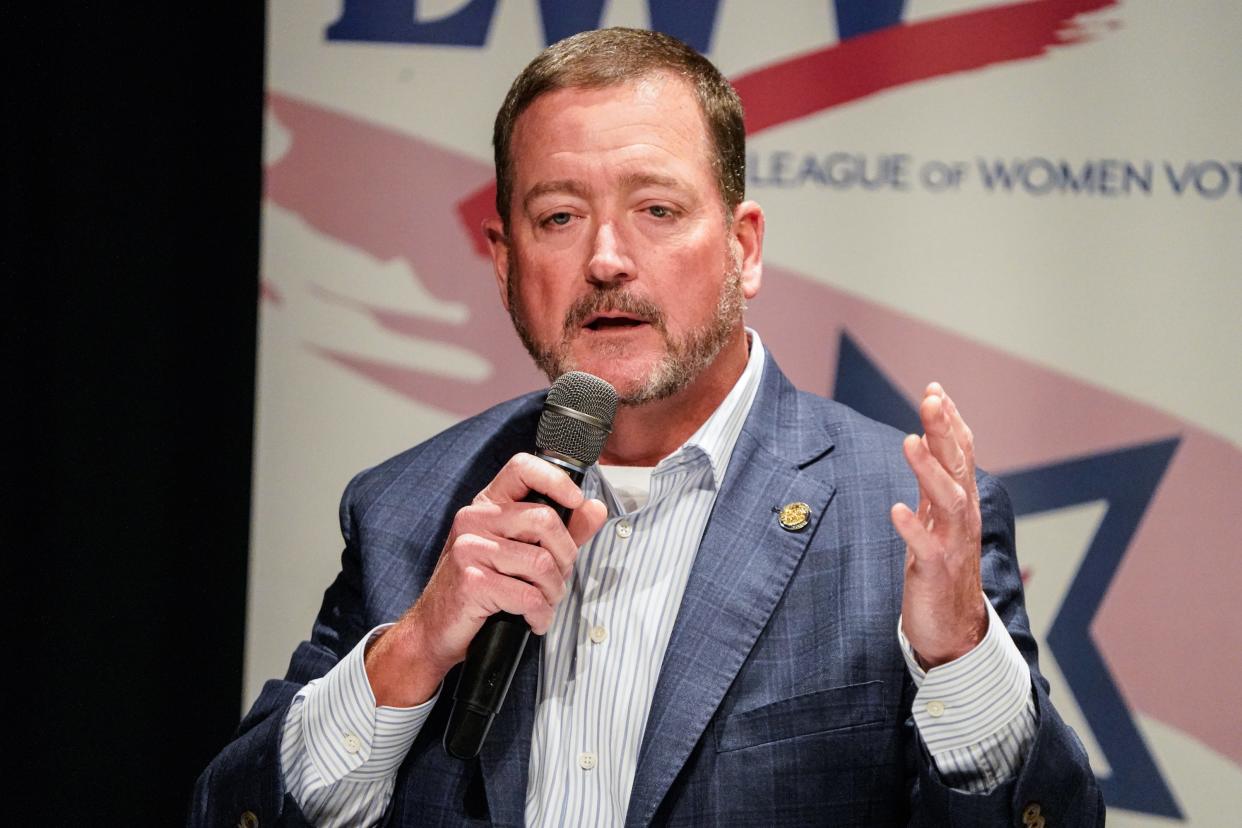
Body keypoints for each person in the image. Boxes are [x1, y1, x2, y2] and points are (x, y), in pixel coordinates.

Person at [192, 28, 1101, 827]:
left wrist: (957, 664)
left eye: (656, 211)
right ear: (505, 262)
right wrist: (414, 650)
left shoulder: (900, 523)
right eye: (558, 218)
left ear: (743, 250)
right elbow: (233, 810)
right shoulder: (408, 510)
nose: (606, 260)